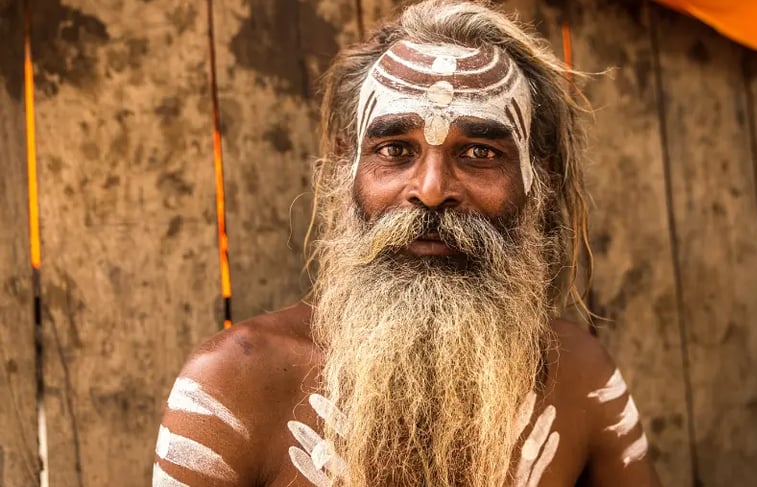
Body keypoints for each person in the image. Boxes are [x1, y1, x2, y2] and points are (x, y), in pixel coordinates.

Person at [152, 1, 662, 486]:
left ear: (537, 180)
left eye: (480, 152)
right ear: (344, 167)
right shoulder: (234, 386)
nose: (432, 190)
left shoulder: (578, 377)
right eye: (396, 149)